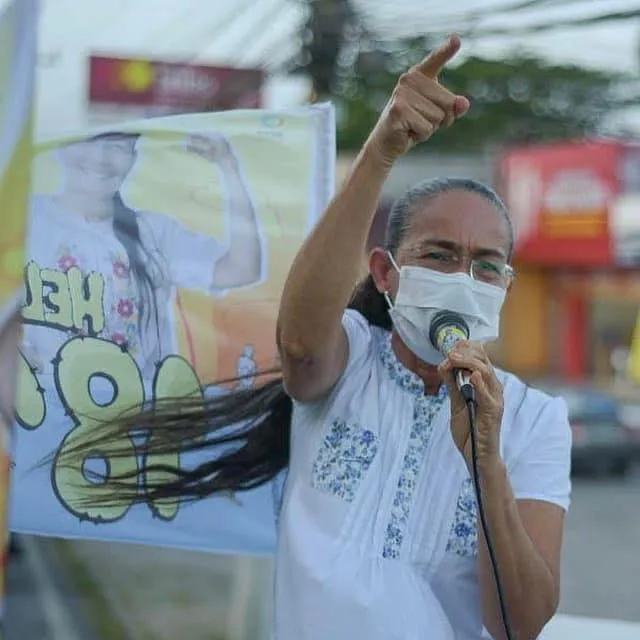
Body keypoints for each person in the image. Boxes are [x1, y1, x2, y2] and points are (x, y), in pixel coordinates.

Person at [68, 36, 571, 640]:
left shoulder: (535, 420)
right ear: (386, 272)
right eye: (439, 255)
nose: (464, 279)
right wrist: (382, 148)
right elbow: (302, 348)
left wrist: (486, 462)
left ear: (506, 287)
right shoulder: (351, 357)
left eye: (486, 265)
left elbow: (522, 623)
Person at [21, 131, 263, 380]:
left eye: (117, 147)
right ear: (61, 148)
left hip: (137, 412)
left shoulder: (152, 231)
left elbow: (241, 269)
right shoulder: (20, 219)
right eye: (88, 142)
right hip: (42, 411)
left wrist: (228, 168)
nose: (100, 157)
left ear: (134, 159)